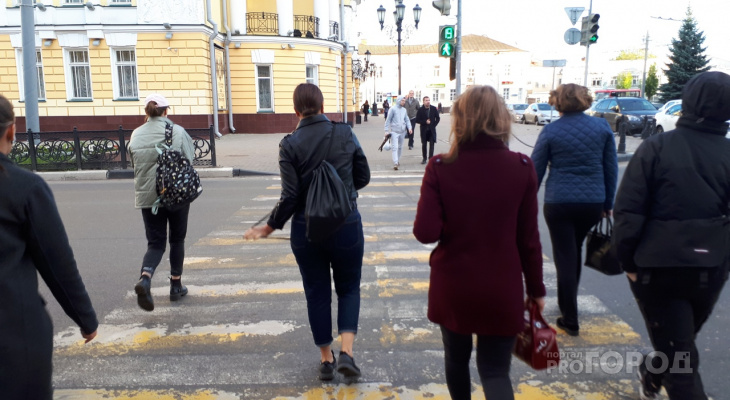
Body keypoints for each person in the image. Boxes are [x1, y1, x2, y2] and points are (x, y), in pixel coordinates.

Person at [413, 86, 545, 400]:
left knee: (456, 360)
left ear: (460, 120)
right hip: (502, 288)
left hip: (454, 287)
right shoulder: (522, 167)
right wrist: (536, 289)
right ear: (502, 119)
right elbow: (529, 240)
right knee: (495, 371)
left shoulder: (440, 167)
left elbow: (425, 232)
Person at [613, 71, 730, 400]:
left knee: (679, 354)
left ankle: (654, 370)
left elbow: (629, 211)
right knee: (680, 349)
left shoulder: (656, 147)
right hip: (710, 268)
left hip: (658, 268)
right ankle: (654, 371)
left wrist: (627, 261)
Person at [243, 83, 370, 381]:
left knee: (317, 292)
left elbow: (289, 196)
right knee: (349, 288)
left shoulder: (289, 145)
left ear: (296, 111)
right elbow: (363, 176)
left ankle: (326, 360)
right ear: (323, 107)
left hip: (306, 229)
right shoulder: (345, 132)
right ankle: (347, 353)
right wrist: (340, 192)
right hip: (346, 224)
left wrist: (269, 227)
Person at [0, 94, 98, 399]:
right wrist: (85, 319)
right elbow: (57, 262)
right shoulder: (24, 187)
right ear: (11, 131)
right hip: (15, 338)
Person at [530, 83, 618, 337]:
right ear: (585, 100)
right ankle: (568, 307)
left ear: (557, 102)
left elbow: (535, 170)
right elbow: (610, 168)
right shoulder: (602, 127)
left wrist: (526, 202)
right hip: (592, 203)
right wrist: (608, 204)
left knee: (565, 257)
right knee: (574, 252)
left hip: (559, 202)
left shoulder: (550, 131)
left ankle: (570, 317)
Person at [128, 93, 196, 312]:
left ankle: (145, 278)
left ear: (146, 112)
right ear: (166, 111)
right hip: (176, 194)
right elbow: (189, 159)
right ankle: (176, 286)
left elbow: (134, 163)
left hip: (149, 197)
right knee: (177, 239)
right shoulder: (177, 131)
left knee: (156, 243)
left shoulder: (136, 134)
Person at [384, 95, 412, 170]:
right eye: (402, 101)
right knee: (395, 147)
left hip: (402, 131)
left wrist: (409, 128)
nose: (404, 102)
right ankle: (395, 162)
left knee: (400, 147)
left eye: (404, 101)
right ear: (399, 100)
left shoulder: (404, 110)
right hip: (394, 131)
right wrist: (386, 130)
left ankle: (398, 160)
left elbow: (407, 119)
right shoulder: (393, 109)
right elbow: (388, 120)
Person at [415, 96, 441, 164]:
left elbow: (438, 118)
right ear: (423, 102)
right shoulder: (420, 110)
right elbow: (417, 120)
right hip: (424, 130)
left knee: (432, 144)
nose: (428, 102)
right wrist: (425, 122)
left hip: (431, 130)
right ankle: (424, 158)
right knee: (424, 144)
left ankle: (431, 158)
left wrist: (433, 125)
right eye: (426, 100)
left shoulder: (433, 108)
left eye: (429, 100)